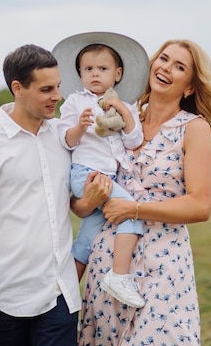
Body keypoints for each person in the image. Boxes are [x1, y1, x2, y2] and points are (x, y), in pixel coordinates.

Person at [0, 44, 110, 346]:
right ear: (17, 88)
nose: (57, 96)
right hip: (5, 298)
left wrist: (88, 202)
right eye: (46, 89)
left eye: (58, 86)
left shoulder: (64, 136)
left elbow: (70, 203)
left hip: (58, 294)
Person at [73, 39, 211, 346]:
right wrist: (86, 202)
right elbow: (84, 202)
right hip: (108, 263)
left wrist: (135, 210)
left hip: (162, 266)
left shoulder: (193, 128)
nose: (166, 68)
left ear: (190, 87)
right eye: (164, 59)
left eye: (179, 67)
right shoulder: (122, 120)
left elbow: (201, 205)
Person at [53, 32, 150, 308]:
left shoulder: (124, 105)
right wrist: (80, 127)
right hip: (85, 173)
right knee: (130, 209)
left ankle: (62, 292)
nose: (95, 74)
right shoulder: (75, 102)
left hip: (109, 177)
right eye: (88, 69)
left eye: (103, 69)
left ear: (117, 74)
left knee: (87, 236)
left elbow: (134, 141)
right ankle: (119, 276)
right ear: (80, 74)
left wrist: (124, 111)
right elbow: (65, 140)